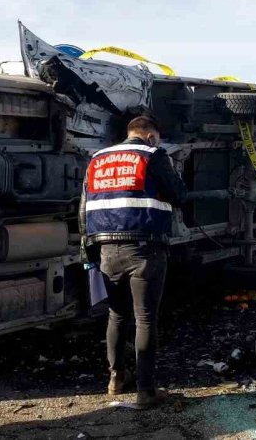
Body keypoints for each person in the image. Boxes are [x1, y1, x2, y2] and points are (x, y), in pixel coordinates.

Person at [79, 114, 186, 409]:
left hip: (105, 250)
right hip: (144, 248)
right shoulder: (153, 154)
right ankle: (146, 391)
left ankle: (115, 379)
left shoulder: (97, 158)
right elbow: (179, 195)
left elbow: (83, 207)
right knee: (146, 318)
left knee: (116, 315)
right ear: (150, 136)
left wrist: (87, 252)